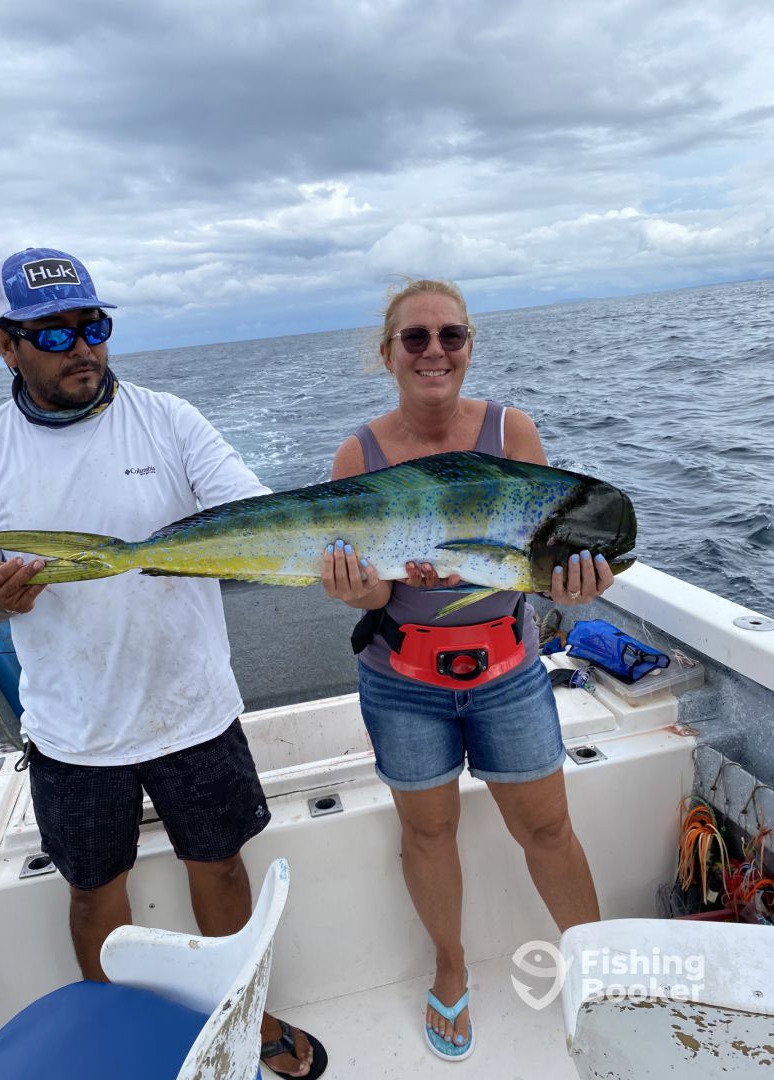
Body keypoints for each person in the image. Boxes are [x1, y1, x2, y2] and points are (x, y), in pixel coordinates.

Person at [0, 248, 326, 1080]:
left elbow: (254, 516)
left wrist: (332, 555)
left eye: (93, 326)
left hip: (192, 706)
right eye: (55, 334)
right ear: (6, 344)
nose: (82, 347)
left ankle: (245, 1018)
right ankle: (115, 1036)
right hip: (75, 729)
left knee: (221, 865)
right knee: (93, 891)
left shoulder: (169, 419)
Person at [322, 278, 612, 1062]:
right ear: (388, 353)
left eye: (450, 335)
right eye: (415, 337)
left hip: (508, 671)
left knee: (547, 828)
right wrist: (357, 588)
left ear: (470, 346)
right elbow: (374, 593)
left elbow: (543, 561)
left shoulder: (511, 432)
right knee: (428, 830)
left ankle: (599, 968)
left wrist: (573, 585)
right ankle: (450, 965)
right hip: (403, 681)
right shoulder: (359, 454)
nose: (434, 351)